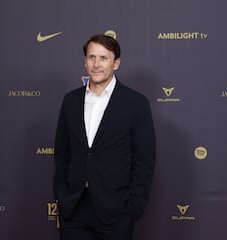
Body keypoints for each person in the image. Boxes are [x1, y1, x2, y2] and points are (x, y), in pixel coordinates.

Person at [53, 34, 156, 240]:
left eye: (103, 58)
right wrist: (62, 196)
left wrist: (132, 209)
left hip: (116, 211)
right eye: (91, 57)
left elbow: (144, 160)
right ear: (85, 62)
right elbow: (62, 153)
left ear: (116, 63)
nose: (96, 64)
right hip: (74, 208)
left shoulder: (136, 103)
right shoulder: (70, 101)